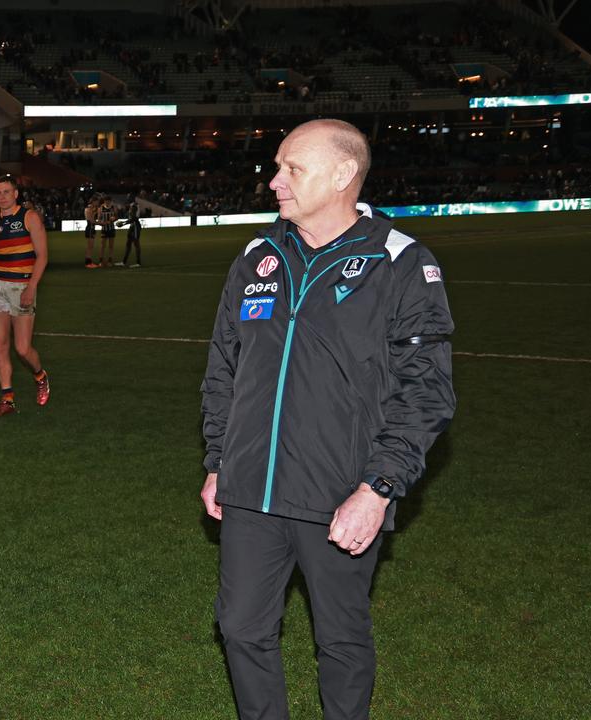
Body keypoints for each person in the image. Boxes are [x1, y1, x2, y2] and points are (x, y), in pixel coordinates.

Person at [199, 119, 456, 720]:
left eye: (292, 168)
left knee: (340, 638)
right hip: (251, 489)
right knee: (239, 629)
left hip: (343, 491)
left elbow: (427, 392)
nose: (274, 182)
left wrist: (377, 490)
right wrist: (217, 461)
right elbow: (223, 372)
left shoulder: (399, 263)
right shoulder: (257, 257)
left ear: (343, 174)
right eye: (277, 167)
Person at [0, 175, 50, 416]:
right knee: (0, 345)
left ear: (16, 194)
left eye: (6, 192)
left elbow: (42, 256)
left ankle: (40, 375)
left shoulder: (29, 218)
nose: (2, 196)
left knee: (22, 348)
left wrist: (32, 287)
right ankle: (7, 400)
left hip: (22, 287)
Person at [116, 200, 142, 268]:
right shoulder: (133, 206)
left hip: (135, 227)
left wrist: (123, 223)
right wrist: (124, 223)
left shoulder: (134, 207)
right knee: (128, 244)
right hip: (132, 226)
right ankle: (124, 262)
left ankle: (138, 263)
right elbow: (132, 218)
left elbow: (134, 219)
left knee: (136, 244)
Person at [96, 196, 117, 267]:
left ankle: (110, 261)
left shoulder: (113, 207)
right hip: (104, 229)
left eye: (109, 201)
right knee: (102, 246)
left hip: (111, 229)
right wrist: (103, 223)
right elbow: (98, 220)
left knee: (111, 246)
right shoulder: (100, 208)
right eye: (106, 201)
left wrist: (114, 219)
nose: (107, 202)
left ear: (110, 201)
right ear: (104, 201)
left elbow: (117, 217)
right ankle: (101, 261)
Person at [83, 196, 98, 268]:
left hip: (91, 228)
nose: (97, 203)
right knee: (90, 246)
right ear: (93, 202)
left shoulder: (92, 209)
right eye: (96, 202)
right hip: (90, 228)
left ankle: (89, 261)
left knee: (91, 246)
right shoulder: (88, 209)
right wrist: (101, 223)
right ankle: (88, 263)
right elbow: (91, 221)